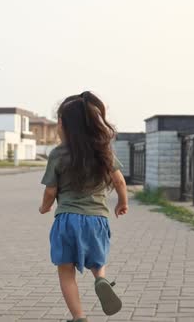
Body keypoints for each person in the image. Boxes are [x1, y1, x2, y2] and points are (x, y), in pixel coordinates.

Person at [39, 91, 129, 322]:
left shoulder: (58, 154)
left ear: (62, 124)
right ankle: (100, 279)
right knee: (97, 261)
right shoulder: (103, 151)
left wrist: (44, 207)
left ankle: (79, 317)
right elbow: (119, 181)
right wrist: (122, 201)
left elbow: (50, 191)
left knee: (66, 270)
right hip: (97, 219)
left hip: (67, 220)